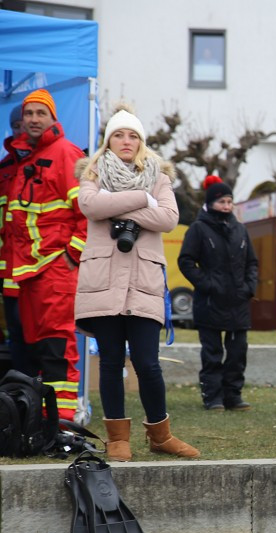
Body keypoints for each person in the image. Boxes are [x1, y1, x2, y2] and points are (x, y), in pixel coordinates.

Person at [75, 105, 199, 460]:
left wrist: (114, 204)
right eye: (119, 135)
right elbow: (90, 206)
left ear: (142, 142)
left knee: (147, 363)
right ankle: (117, 439)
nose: (126, 141)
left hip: (143, 281)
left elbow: (168, 218)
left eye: (133, 136)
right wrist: (143, 200)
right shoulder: (93, 172)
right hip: (104, 281)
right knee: (111, 361)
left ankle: (160, 435)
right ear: (108, 141)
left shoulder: (159, 176)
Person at [4, 89, 86, 420]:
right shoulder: (26, 159)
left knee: (57, 348)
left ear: (54, 118)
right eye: (30, 113)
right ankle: (39, 421)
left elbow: (87, 212)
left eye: (41, 113)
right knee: (34, 351)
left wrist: (71, 256)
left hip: (54, 270)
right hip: (27, 274)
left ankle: (62, 422)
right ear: (21, 120)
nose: (35, 119)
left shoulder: (66, 153)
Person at [178, 176, 258, 411]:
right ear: (211, 202)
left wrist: (249, 287)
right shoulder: (198, 229)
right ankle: (212, 397)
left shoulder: (240, 229)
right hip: (210, 302)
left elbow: (252, 262)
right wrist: (207, 284)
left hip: (238, 302)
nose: (226, 206)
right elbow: (186, 261)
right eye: (222, 201)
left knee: (237, 353)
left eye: (229, 201)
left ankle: (233, 395)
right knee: (212, 354)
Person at [1, 104, 29, 373]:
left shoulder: (52, 159)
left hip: (40, 269)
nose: (22, 129)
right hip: (9, 271)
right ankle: (22, 398)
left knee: (43, 339)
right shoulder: (5, 167)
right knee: (17, 336)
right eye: (17, 125)